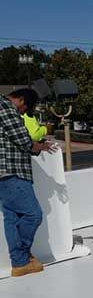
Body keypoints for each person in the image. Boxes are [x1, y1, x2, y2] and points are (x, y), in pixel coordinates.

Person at [0, 88, 54, 277]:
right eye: (25, 109)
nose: (23, 113)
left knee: (12, 217)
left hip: (3, 173)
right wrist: (40, 146)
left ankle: (19, 263)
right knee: (33, 215)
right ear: (21, 100)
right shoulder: (6, 107)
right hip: (12, 171)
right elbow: (23, 140)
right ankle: (22, 256)